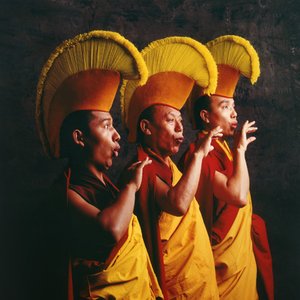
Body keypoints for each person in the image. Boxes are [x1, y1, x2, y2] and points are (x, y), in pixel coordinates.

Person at [36, 30, 163, 299]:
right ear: (79, 138)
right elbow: (111, 229)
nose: (116, 134)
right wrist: (130, 187)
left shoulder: (107, 185)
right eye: (106, 126)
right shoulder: (67, 193)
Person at [120, 36, 221, 299]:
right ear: (146, 128)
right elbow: (177, 204)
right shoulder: (144, 169)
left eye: (180, 120)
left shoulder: (169, 167)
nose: (180, 128)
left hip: (197, 278)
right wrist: (199, 156)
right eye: (170, 120)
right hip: (176, 285)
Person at [180, 35, 274, 299]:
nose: (234, 113)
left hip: (240, 263)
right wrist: (241, 150)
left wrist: (236, 151)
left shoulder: (222, 149)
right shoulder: (201, 155)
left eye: (233, 107)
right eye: (225, 106)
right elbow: (238, 196)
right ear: (205, 116)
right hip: (220, 267)